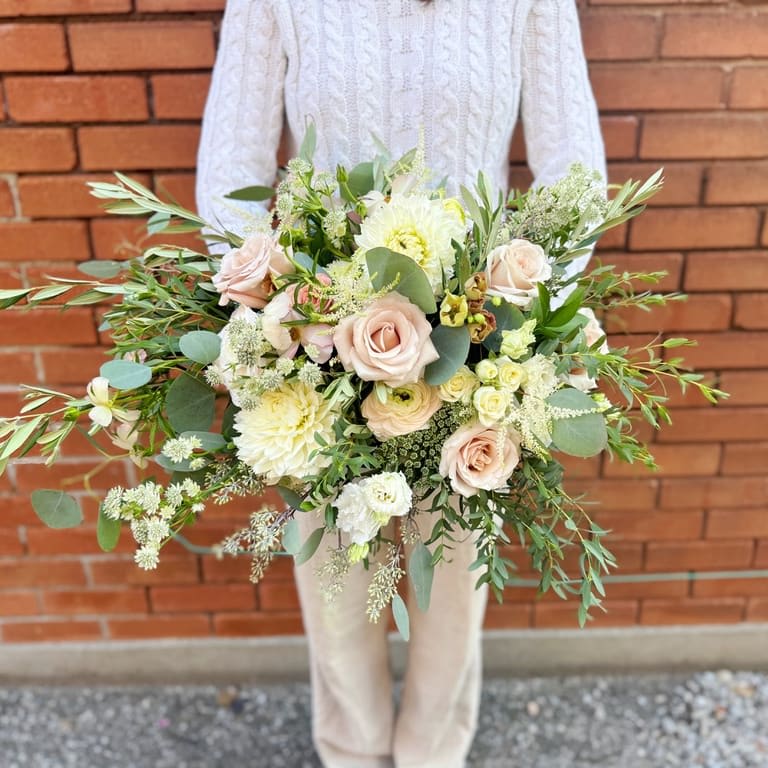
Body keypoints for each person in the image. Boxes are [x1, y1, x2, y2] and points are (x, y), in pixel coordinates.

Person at [196, 1, 605, 766]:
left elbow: (575, 168)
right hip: (321, 352)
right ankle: (351, 751)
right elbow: (230, 169)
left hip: (475, 354)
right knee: (336, 586)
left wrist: (522, 312)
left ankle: (432, 754)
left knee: (451, 587)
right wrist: (282, 299)